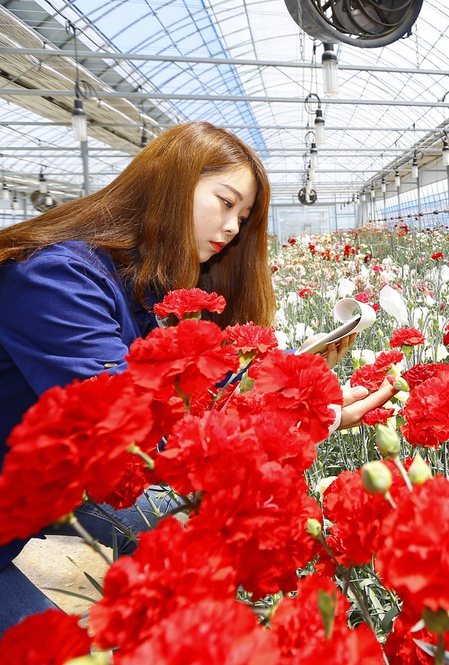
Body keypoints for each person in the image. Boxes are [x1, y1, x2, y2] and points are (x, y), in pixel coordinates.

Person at [0, 121, 392, 633]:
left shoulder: (135, 283)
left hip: (43, 488)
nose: (232, 228)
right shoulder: (60, 280)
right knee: (59, 648)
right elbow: (145, 425)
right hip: (27, 496)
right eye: (226, 202)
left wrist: (307, 394)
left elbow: (184, 399)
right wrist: (284, 401)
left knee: (204, 521)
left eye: (243, 217)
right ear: (169, 184)